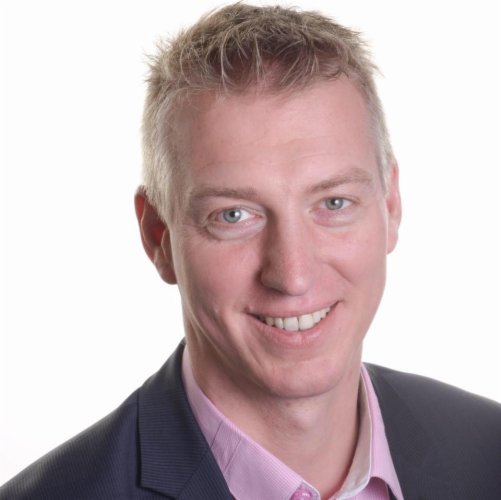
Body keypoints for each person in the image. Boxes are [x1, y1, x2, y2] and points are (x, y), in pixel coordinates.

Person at [1, 3, 500, 499]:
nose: (293, 275)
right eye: (234, 215)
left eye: (334, 202)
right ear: (158, 235)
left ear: (390, 206)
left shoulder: (489, 451)